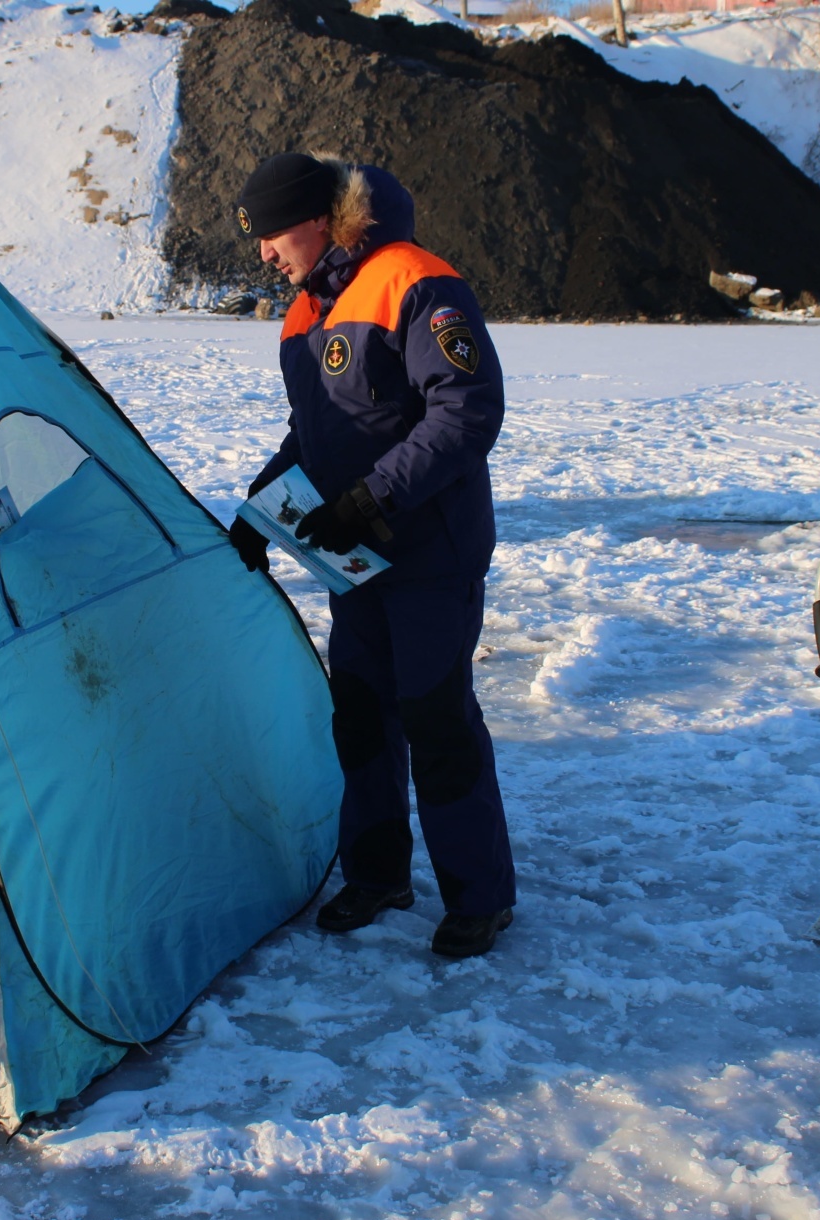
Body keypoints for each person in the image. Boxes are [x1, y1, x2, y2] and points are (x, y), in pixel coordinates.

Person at [224, 152, 517, 958]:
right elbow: (316, 433)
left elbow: (466, 412)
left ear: (318, 220)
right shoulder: (303, 314)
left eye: (273, 234)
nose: (264, 253)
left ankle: (481, 897)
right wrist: (263, 507)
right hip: (353, 561)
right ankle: (378, 872)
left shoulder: (413, 280)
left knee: (436, 719)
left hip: (429, 554)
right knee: (359, 717)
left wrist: (374, 496)